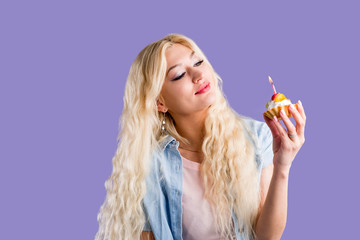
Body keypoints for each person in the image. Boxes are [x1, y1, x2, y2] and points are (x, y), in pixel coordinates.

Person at [95, 33, 306, 240]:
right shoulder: (150, 164)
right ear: (159, 102)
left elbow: (266, 237)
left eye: (198, 62)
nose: (198, 76)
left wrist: (282, 166)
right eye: (178, 75)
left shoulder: (256, 137)